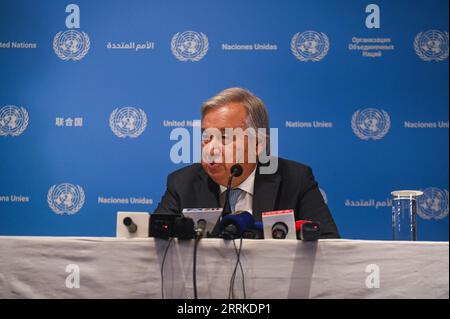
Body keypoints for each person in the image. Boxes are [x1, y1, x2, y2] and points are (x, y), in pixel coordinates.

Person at [155, 87, 340, 239]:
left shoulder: (295, 179)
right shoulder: (182, 183)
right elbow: (153, 245)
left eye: (225, 136)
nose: (211, 149)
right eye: (206, 137)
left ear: (258, 144)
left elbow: (329, 246)